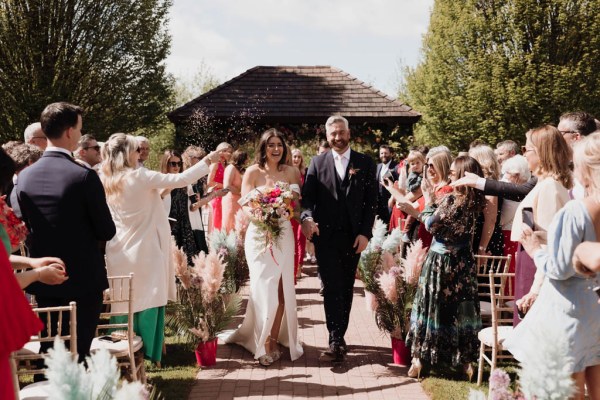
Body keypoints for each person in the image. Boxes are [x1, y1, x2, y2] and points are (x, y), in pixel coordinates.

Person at [100, 133, 221, 364]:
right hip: (144, 250)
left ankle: (121, 352)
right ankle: (145, 353)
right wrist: (209, 160)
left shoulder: (107, 178)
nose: (140, 154)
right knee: (148, 300)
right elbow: (182, 179)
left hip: (118, 251)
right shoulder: (140, 175)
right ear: (128, 153)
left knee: (123, 301)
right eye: (137, 150)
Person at [15, 102, 116, 364]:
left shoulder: (24, 177)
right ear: (70, 132)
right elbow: (106, 229)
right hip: (83, 278)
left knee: (50, 348)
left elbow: (23, 226)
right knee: (80, 352)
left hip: (44, 277)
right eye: (80, 129)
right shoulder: (83, 175)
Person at [504, 132, 600, 400]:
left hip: (567, 309)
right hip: (592, 307)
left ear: (585, 169)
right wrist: (550, 237)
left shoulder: (577, 209)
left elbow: (560, 268)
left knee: (566, 390)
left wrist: (536, 250)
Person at [388, 156, 485, 380]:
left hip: (441, 261)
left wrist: (427, 204)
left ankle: (420, 359)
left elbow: (432, 225)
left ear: (462, 174)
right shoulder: (476, 201)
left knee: (430, 305)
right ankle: (464, 360)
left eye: (453, 172)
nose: (450, 175)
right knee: (462, 308)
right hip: (463, 262)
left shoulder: (454, 199)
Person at [223, 129, 303, 366]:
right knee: (261, 287)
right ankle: (262, 341)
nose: (276, 149)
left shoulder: (292, 172)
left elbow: (296, 206)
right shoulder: (252, 172)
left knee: (281, 289)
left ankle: (274, 339)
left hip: (284, 234)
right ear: (263, 147)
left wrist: (288, 213)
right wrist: (261, 216)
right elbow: (244, 204)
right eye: (271, 145)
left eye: (279, 144)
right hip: (258, 235)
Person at [301, 115, 377, 363]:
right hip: (326, 238)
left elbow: (371, 203)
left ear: (349, 133)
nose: (337, 137)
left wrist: (366, 233)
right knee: (332, 288)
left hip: (354, 238)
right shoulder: (317, 162)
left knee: (345, 289)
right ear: (327, 136)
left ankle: (339, 335)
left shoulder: (365, 163)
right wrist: (306, 218)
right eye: (333, 133)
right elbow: (307, 200)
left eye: (341, 132)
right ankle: (335, 339)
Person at [510, 126, 573, 324]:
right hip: (530, 261)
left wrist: (536, 289)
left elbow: (548, 242)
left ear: (541, 152)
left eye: (526, 149)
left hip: (536, 264)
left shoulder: (549, 187)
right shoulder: (545, 184)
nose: (524, 155)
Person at [207, 142, 233, 231]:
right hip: (217, 197)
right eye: (225, 151)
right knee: (217, 225)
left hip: (224, 196)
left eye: (230, 151)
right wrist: (224, 186)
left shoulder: (226, 165)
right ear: (219, 152)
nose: (229, 153)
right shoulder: (215, 164)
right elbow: (209, 182)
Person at [291, 148, 307, 281]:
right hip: (290, 209)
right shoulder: (286, 172)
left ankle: (299, 266)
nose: (296, 159)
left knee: (301, 238)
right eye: (294, 156)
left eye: (298, 157)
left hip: (302, 209)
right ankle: (293, 268)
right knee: (293, 239)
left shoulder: (304, 173)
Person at [222, 150, 247, 232]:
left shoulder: (239, 169)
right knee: (230, 223)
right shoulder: (231, 168)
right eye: (246, 159)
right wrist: (240, 193)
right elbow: (227, 186)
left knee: (239, 224)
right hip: (231, 200)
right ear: (241, 159)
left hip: (238, 200)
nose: (247, 161)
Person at [375, 144, 398, 226]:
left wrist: (393, 198)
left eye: (386, 153)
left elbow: (398, 185)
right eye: (381, 153)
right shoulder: (377, 167)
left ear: (391, 154)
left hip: (391, 203)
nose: (383, 155)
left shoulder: (396, 167)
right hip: (379, 205)